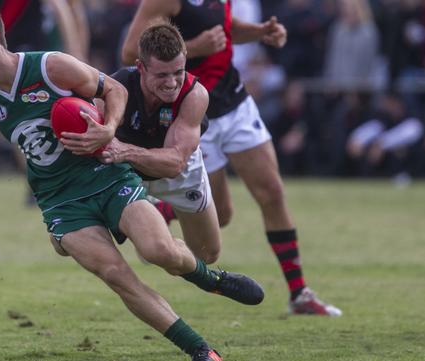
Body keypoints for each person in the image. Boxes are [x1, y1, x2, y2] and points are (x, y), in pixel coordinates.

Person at [0, 2, 263, 361]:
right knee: (117, 275)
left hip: (105, 175)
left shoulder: (48, 66)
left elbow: (116, 90)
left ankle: (211, 280)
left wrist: (107, 130)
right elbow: (33, 151)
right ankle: (202, 351)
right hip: (61, 201)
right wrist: (54, 222)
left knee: (160, 251)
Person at [121, 0, 342, 316]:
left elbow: (223, 29)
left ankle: (299, 293)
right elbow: (131, 54)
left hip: (235, 100)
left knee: (272, 193)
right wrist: (194, 48)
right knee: (220, 216)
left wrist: (259, 32)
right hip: (195, 113)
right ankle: (159, 214)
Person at [103, 22, 223, 266]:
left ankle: (161, 211)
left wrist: (126, 151)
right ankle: (147, 215)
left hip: (175, 172)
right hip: (127, 172)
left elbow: (175, 163)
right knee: (154, 253)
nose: (171, 83)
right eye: (161, 75)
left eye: (178, 72)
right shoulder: (117, 87)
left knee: (206, 254)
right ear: (141, 68)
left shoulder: (195, 95)